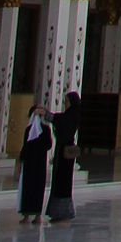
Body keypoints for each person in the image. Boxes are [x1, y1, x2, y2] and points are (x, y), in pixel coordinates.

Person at [47, 89, 83, 222]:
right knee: (59, 181)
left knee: (63, 182)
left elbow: (60, 120)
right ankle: (57, 212)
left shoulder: (72, 116)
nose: (65, 104)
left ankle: (62, 212)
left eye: (66, 101)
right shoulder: (69, 115)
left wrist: (47, 114)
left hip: (66, 154)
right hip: (62, 151)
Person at [16, 108, 52, 223]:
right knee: (34, 188)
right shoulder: (43, 129)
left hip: (33, 163)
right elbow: (48, 145)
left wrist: (21, 160)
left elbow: (26, 146)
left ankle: (31, 215)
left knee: (32, 188)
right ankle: (34, 215)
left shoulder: (32, 130)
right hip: (37, 163)